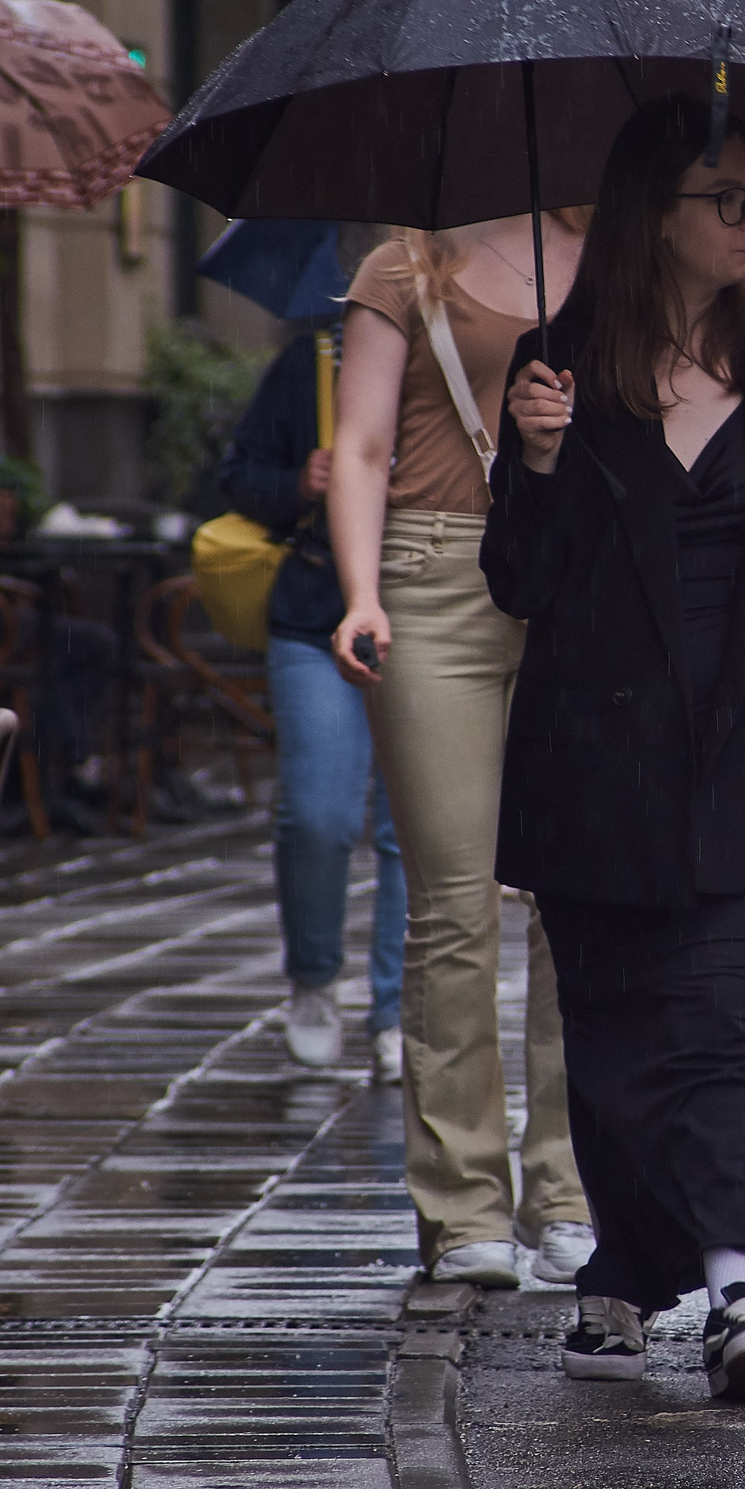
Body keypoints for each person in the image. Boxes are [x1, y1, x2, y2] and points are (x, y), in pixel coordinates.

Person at [488, 97, 745, 1402]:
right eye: (725, 197)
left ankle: (737, 1277)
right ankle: (626, 1260)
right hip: (598, 757)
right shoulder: (558, 366)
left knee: (729, 1024)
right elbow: (520, 581)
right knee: (613, 1040)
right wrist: (537, 460)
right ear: (650, 215)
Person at [329, 207, 592, 1290]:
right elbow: (361, 441)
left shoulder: (620, 256)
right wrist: (358, 593)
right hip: (433, 573)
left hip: (578, 574)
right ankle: (463, 1202)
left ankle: (571, 1192)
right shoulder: (406, 263)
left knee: (578, 897)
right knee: (454, 900)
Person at [216, 329, 406, 1082]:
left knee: (413, 830)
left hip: (433, 611)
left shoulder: (484, 346)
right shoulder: (318, 360)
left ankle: (398, 1010)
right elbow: (238, 475)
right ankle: (315, 975)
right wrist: (301, 481)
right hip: (316, 609)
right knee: (318, 812)